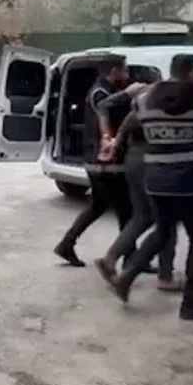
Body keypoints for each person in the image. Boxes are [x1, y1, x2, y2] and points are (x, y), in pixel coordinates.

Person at [111, 53, 193, 322]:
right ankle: (191, 304)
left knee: (162, 231)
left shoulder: (143, 100)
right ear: (191, 71)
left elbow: (134, 123)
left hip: (157, 178)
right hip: (192, 179)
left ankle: (126, 277)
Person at [53, 56, 136, 267]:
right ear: (115, 71)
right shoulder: (100, 93)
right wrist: (129, 94)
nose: (127, 75)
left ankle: (66, 244)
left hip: (100, 161)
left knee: (100, 206)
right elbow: (106, 110)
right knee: (126, 210)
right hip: (105, 162)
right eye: (125, 71)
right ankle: (131, 259)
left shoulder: (104, 90)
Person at [99, 82, 181, 293]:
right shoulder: (162, 111)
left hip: (133, 162)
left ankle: (110, 259)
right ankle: (165, 275)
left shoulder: (135, 112)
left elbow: (118, 139)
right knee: (167, 222)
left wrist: (110, 146)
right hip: (153, 164)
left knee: (142, 216)